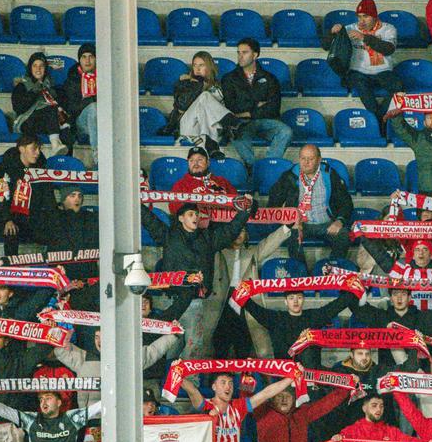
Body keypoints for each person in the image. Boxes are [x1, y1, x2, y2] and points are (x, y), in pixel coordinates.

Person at [140, 197, 251, 359]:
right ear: (180, 218)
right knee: (169, 349)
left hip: (194, 303)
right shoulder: (168, 235)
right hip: (169, 301)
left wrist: (245, 211)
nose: (195, 217)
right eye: (191, 214)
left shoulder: (208, 238)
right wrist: (134, 200)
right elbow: (149, 221)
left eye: (197, 214)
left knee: (193, 348)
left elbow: (230, 231)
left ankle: (190, 381)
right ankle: (169, 381)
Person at [206, 217, 293, 359]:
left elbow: (269, 244)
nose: (239, 234)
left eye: (243, 231)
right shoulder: (218, 252)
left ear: (247, 235)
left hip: (246, 301)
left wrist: (286, 227)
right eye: (236, 230)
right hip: (222, 302)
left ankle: (243, 379)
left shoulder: (252, 252)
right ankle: (218, 379)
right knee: (219, 346)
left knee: (245, 344)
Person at [179, 373, 293, 442]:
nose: (227, 387)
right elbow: (192, 391)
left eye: (231, 383)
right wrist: (178, 374)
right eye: (223, 383)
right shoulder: (206, 406)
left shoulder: (238, 407)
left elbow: (266, 393)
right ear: (214, 386)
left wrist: (291, 377)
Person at [267, 144, 353, 263]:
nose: (306, 162)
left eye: (310, 159)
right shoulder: (289, 176)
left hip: (326, 223)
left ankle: (331, 271)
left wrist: (339, 221)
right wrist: (288, 221)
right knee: (291, 235)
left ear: (319, 160)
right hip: (300, 224)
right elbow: (273, 203)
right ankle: (302, 275)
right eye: (303, 158)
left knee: (344, 235)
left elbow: (346, 201)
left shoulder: (329, 174)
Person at [221, 38, 293, 167]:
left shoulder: (270, 78)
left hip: (264, 121)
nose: (240, 56)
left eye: (244, 52)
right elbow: (231, 106)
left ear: (255, 55)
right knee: (236, 132)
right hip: (241, 123)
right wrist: (257, 104)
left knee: (285, 131)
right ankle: (253, 168)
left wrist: (247, 112)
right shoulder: (229, 78)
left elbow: (273, 107)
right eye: (238, 53)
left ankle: (268, 166)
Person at [254, 385, 351, 442]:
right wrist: (246, 382)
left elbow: (325, 404)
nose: (284, 399)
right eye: (279, 396)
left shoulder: (301, 414)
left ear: (293, 399)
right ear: (273, 399)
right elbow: (247, 401)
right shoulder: (263, 413)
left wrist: (347, 387)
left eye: (288, 396)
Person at [329, 0, 401, 121]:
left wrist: (364, 37)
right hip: (358, 72)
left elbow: (388, 49)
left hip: (383, 71)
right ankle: (379, 118)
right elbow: (326, 45)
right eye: (359, 17)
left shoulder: (388, 29)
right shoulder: (349, 28)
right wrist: (332, 32)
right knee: (360, 83)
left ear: (374, 16)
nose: (361, 21)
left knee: (398, 87)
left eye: (366, 17)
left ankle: (380, 116)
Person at [0, 134, 50, 254]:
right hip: (9, 216)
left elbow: (48, 197)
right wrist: (7, 220)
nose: (37, 153)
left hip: (32, 217)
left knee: (57, 231)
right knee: (11, 231)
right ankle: (10, 270)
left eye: (39, 149)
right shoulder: (4, 168)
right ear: (22, 149)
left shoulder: (41, 169)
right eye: (34, 149)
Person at [167, 51, 234, 152]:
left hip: (212, 126)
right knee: (205, 96)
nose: (197, 69)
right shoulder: (185, 83)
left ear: (209, 67)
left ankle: (211, 146)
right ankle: (232, 122)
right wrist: (197, 86)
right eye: (195, 65)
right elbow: (181, 108)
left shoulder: (219, 86)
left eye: (201, 65)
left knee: (207, 112)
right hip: (189, 126)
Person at [12, 52, 72, 157]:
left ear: (45, 69)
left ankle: (64, 162)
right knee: (51, 109)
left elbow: (61, 104)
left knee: (67, 129)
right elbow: (18, 108)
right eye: (35, 65)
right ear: (30, 68)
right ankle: (55, 144)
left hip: (46, 121)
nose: (38, 69)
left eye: (41, 66)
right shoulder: (22, 85)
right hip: (27, 121)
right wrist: (35, 91)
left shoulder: (50, 86)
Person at [62, 43, 98, 162]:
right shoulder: (72, 79)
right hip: (80, 124)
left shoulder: (104, 77)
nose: (87, 61)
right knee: (94, 108)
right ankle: (98, 157)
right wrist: (90, 99)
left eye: (91, 56)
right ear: (79, 60)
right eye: (84, 57)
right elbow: (72, 108)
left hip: (103, 121)